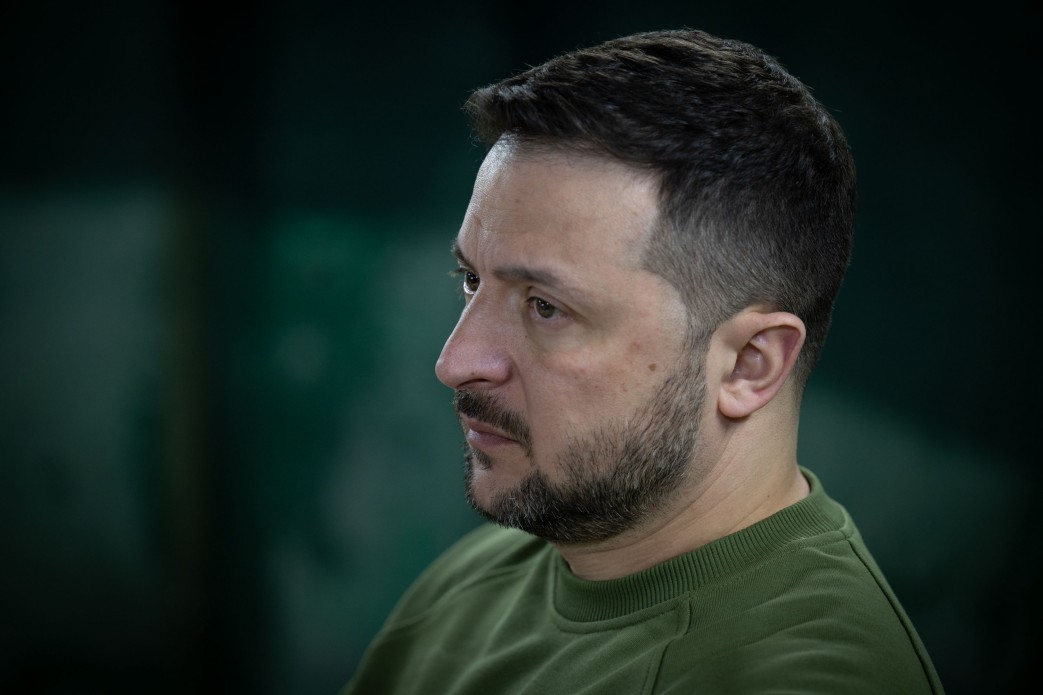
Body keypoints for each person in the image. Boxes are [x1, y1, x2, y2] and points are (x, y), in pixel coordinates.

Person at [345, 29, 942, 694]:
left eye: (546, 306)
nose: (455, 362)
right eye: (470, 279)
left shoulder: (810, 679)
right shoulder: (475, 581)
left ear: (749, 364)